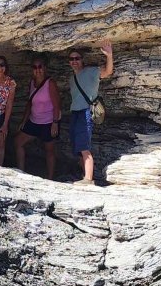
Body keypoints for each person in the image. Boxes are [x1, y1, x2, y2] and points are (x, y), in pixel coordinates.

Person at [67, 40, 113, 186]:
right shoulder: (72, 79)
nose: (74, 61)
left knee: (84, 146)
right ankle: (84, 176)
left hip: (85, 112)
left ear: (82, 60)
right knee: (77, 147)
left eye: (77, 58)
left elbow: (107, 72)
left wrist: (109, 55)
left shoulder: (91, 71)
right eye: (71, 59)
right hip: (74, 113)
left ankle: (88, 179)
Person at [15, 56, 61, 180]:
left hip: (48, 122)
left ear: (44, 68)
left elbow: (57, 105)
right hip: (34, 121)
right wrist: (24, 121)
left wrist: (55, 123)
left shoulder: (50, 83)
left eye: (40, 66)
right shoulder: (32, 83)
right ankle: (20, 171)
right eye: (35, 67)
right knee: (18, 142)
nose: (37, 69)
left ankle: (50, 178)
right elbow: (30, 103)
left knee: (49, 150)